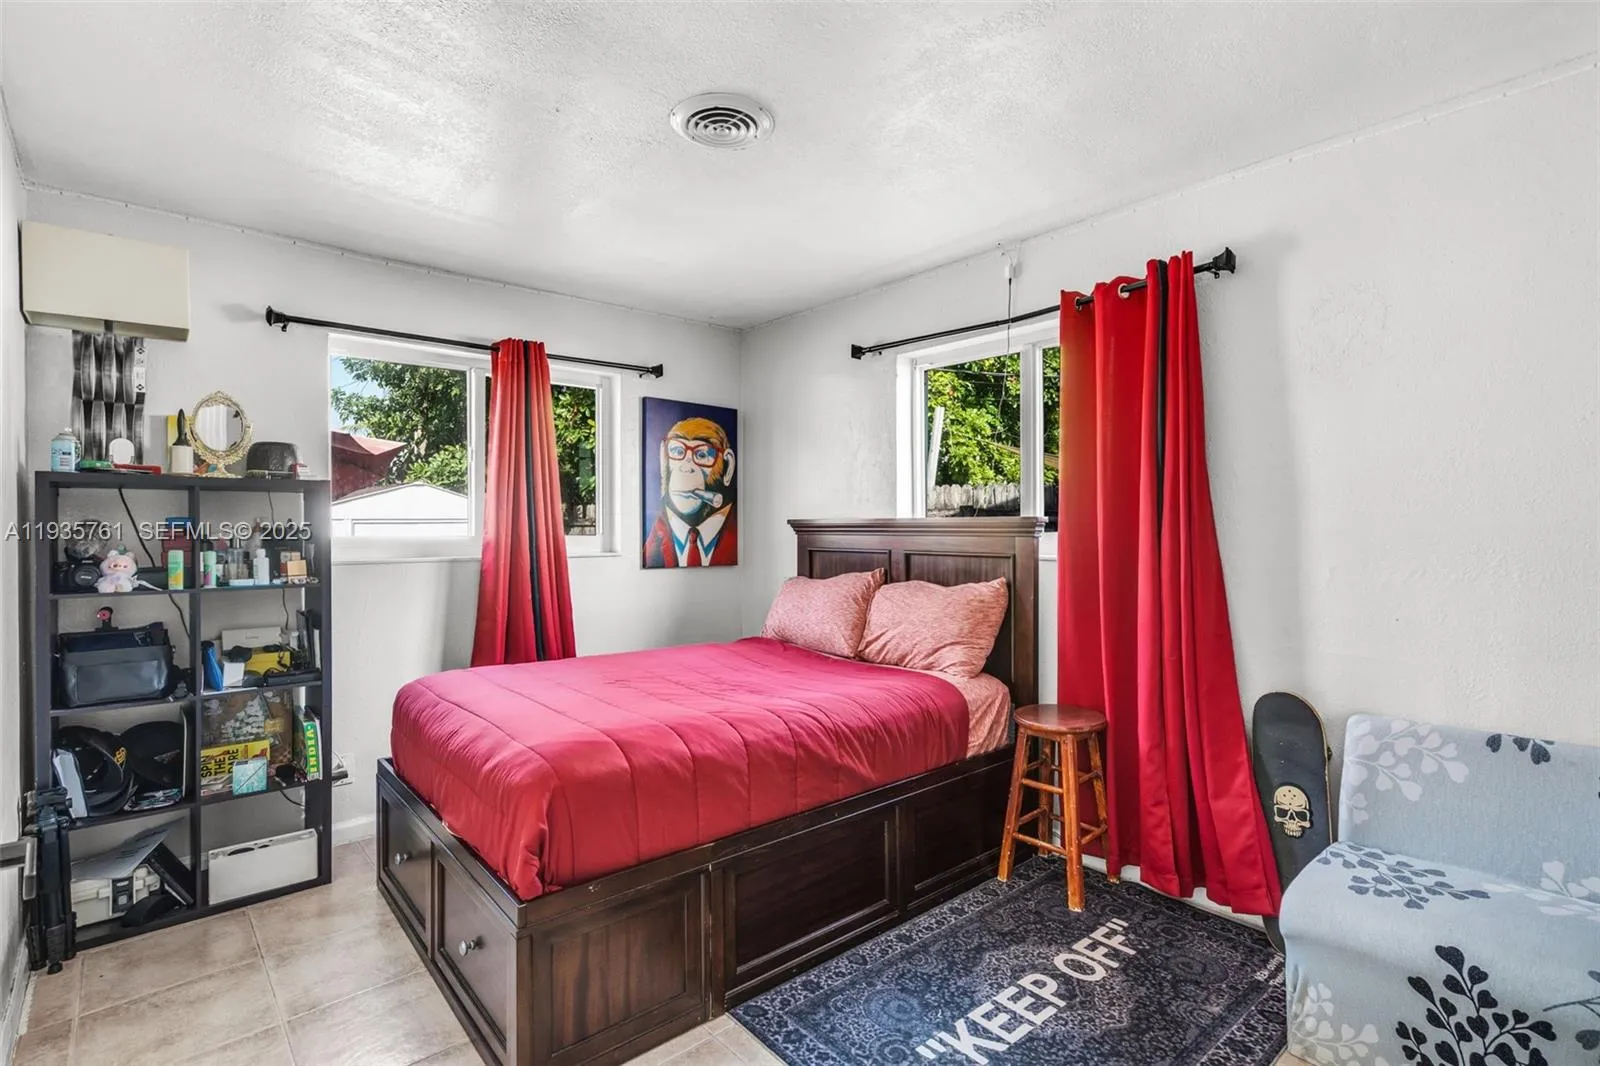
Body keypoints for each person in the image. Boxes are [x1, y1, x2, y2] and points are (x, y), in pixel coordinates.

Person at [643, 416, 737, 567]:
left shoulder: (739, 533)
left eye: (701, 455)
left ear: (727, 468)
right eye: (677, 451)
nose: (686, 468)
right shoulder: (654, 539)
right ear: (663, 460)